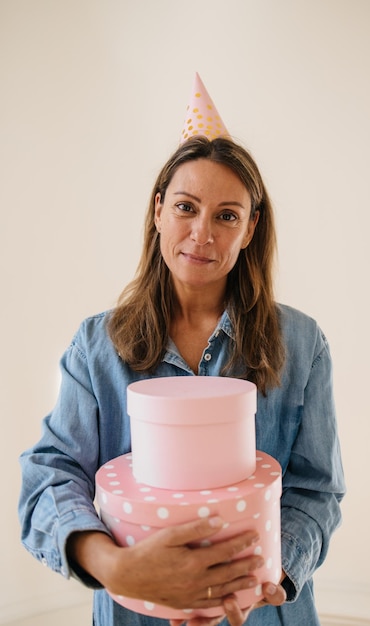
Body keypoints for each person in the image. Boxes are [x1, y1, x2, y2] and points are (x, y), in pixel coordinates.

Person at [19, 134, 345, 626]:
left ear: (251, 228)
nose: (202, 233)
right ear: (158, 211)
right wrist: (115, 567)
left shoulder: (302, 343)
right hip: (135, 612)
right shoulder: (96, 345)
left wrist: (262, 577)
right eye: (186, 207)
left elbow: (316, 489)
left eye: (227, 215)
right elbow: (51, 475)